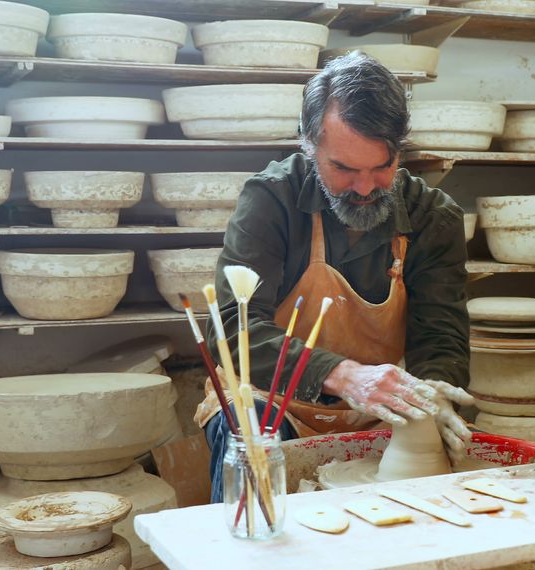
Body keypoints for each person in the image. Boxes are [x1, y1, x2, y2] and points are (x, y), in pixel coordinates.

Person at [194, 52, 474, 502]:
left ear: (400, 150)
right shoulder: (272, 201)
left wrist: (434, 391)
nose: (365, 187)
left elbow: (439, 337)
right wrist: (344, 376)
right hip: (269, 397)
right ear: (308, 144)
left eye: (381, 167)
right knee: (253, 450)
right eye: (343, 168)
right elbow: (231, 331)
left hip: (376, 407)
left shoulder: (432, 216)